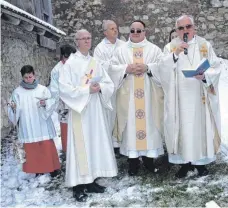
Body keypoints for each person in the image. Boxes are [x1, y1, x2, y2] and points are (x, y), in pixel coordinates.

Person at [158, 15, 221, 178]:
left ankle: (200, 163)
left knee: (199, 127)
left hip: (200, 94)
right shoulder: (170, 47)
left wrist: (206, 76)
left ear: (194, 28)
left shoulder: (204, 45)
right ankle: (185, 163)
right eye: (181, 28)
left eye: (188, 27)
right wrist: (175, 54)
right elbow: (162, 70)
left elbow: (216, 65)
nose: (185, 30)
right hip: (179, 96)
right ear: (176, 30)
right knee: (183, 127)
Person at [58, 29, 117, 202]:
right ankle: (78, 185)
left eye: (89, 38)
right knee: (80, 146)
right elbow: (64, 89)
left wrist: (101, 87)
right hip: (80, 110)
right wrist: (86, 90)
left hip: (95, 109)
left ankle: (91, 181)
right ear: (76, 42)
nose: (86, 41)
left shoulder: (94, 62)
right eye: (83, 39)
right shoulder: (69, 64)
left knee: (93, 143)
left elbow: (108, 83)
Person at [109, 20, 164, 176]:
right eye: (132, 30)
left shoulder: (154, 50)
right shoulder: (121, 51)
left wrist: (148, 68)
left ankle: (148, 161)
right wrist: (125, 69)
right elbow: (111, 69)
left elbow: (164, 67)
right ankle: (132, 162)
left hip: (149, 98)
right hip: (129, 99)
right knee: (131, 127)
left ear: (144, 32)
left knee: (149, 126)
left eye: (138, 31)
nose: (135, 33)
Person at [8, 65, 60, 177]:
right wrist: (13, 108)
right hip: (27, 124)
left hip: (42, 122)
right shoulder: (17, 92)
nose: (28, 79)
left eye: (30, 77)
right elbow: (12, 109)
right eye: (26, 77)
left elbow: (52, 101)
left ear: (34, 75)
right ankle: (38, 169)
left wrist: (45, 103)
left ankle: (53, 168)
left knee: (46, 146)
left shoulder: (42, 89)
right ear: (22, 77)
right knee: (33, 148)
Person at [94, 20, 125, 155]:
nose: (115, 30)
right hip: (110, 86)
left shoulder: (123, 45)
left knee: (123, 112)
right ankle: (112, 143)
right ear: (105, 32)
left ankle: (124, 140)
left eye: (116, 28)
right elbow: (98, 67)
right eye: (112, 28)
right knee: (111, 115)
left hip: (124, 84)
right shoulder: (100, 49)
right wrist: (113, 63)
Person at [49, 44, 76, 153]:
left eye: (71, 57)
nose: (69, 60)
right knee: (65, 127)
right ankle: (67, 150)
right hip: (63, 103)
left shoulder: (77, 66)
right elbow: (54, 89)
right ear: (62, 57)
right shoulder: (56, 70)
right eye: (66, 57)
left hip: (77, 102)